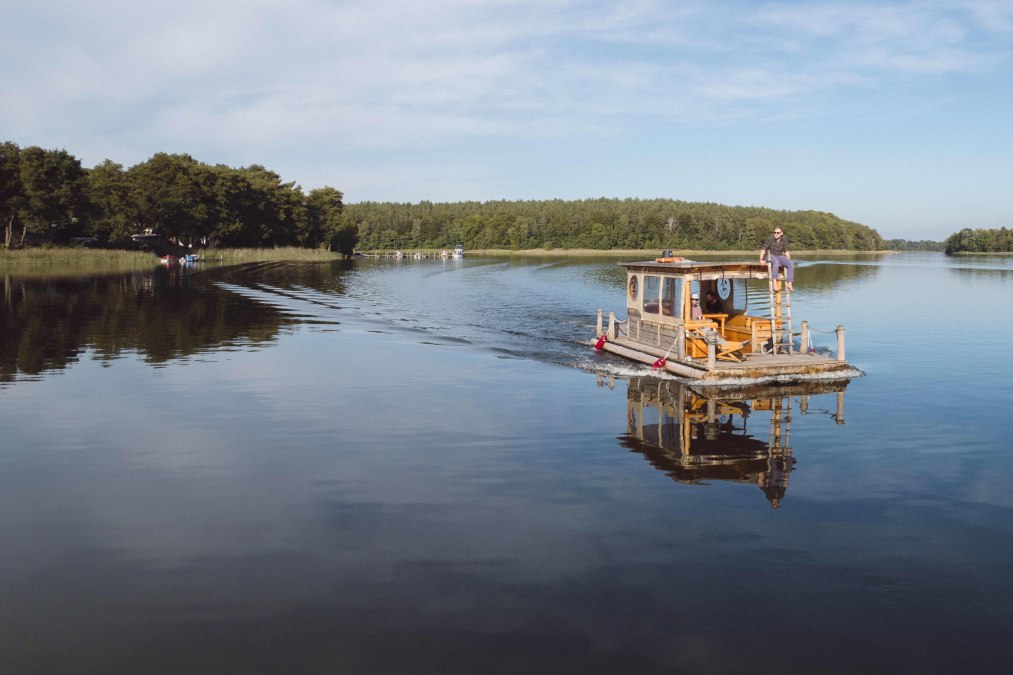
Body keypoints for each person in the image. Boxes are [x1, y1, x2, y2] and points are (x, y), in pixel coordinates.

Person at [760, 227, 794, 292]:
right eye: (774, 232)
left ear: (781, 233)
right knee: (776, 262)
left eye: (777, 232)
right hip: (770, 256)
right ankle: (774, 284)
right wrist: (761, 259)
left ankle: (789, 284)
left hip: (780, 256)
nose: (776, 234)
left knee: (791, 263)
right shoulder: (770, 238)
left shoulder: (784, 239)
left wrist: (788, 260)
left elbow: (786, 251)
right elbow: (764, 249)